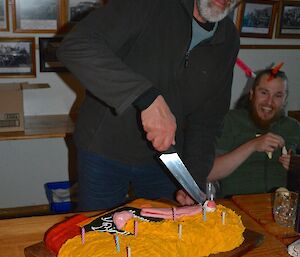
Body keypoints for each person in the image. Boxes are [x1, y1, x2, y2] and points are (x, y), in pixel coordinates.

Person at [57, 0, 240, 211]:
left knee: (163, 237)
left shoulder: (228, 40)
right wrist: (145, 97)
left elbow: (208, 120)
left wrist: (194, 175)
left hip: (165, 160)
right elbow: (76, 46)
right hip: (104, 149)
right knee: (98, 235)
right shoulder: (149, 4)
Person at [206, 68, 300, 197]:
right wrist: (253, 145)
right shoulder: (230, 120)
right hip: (235, 206)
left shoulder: (293, 127)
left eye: (278, 95)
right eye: (264, 93)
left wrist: (295, 166)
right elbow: (210, 173)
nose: (269, 102)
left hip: (281, 206)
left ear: (285, 99)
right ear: (252, 94)